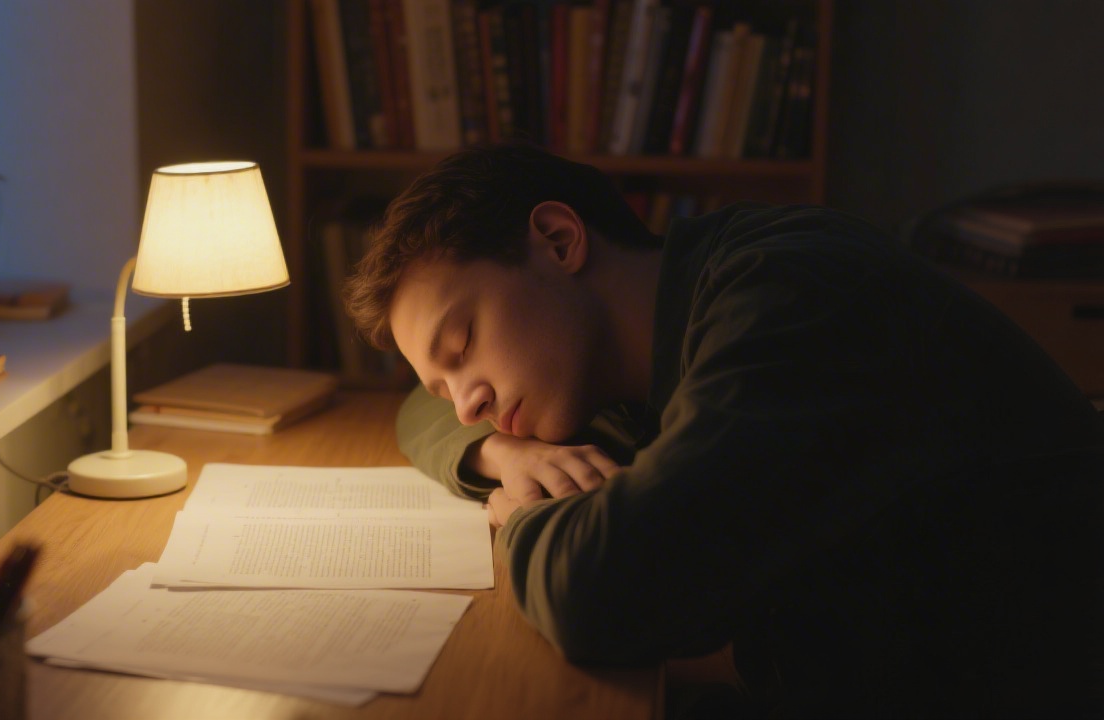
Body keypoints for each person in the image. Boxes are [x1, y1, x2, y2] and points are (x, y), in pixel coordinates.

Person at [343, 143, 1104, 718]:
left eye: (460, 344)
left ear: (559, 240)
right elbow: (420, 414)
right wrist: (504, 451)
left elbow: (598, 592)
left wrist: (530, 514)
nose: (465, 403)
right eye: (444, 382)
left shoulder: (786, 296)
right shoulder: (624, 356)